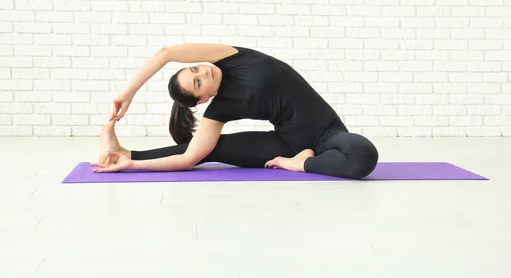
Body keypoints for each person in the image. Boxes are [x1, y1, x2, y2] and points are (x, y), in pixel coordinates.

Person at [93, 43, 379, 179]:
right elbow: (189, 158)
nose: (203, 71)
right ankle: (125, 154)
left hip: (327, 132)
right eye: (197, 81)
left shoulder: (231, 57)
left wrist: (127, 92)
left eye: (195, 69)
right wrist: (132, 166)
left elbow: (166, 53)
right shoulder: (219, 109)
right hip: (284, 144)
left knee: (363, 156)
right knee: (207, 149)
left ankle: (300, 163)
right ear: (202, 99)